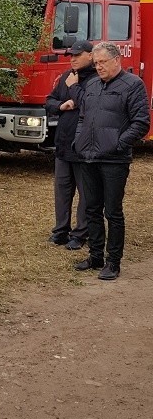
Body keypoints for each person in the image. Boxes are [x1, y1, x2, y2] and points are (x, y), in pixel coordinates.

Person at [73, 41, 149, 280]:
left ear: (117, 60)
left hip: (115, 161)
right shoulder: (93, 85)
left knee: (112, 212)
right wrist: (80, 141)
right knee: (91, 208)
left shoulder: (133, 85)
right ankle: (95, 257)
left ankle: (113, 262)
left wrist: (118, 144)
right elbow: (83, 118)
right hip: (89, 157)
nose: (98, 67)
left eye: (103, 62)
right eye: (96, 63)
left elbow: (141, 123)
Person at [44, 39, 96, 249]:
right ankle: (61, 231)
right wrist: (61, 105)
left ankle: (80, 234)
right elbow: (49, 101)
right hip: (64, 144)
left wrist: (74, 88)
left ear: (90, 56)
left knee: (85, 193)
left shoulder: (95, 79)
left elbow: (88, 105)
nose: (73, 59)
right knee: (62, 191)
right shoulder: (67, 76)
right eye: (71, 56)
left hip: (84, 147)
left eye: (77, 55)